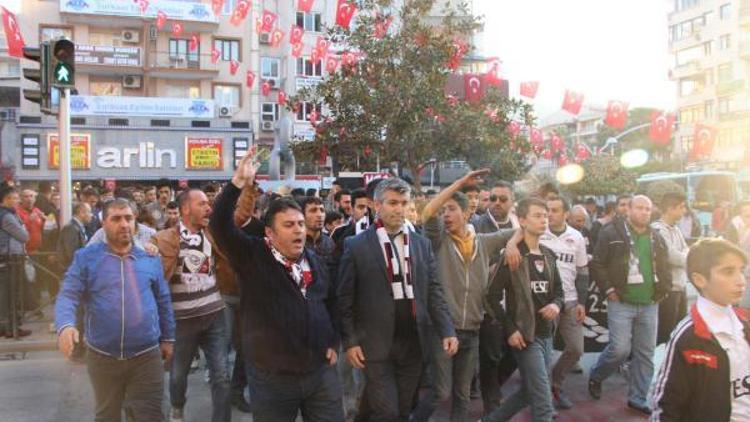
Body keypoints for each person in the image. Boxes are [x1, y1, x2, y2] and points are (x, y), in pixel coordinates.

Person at [210, 148, 343, 421]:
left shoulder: (314, 261)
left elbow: (329, 302)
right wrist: (236, 185)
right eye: (289, 225)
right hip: (273, 379)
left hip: (320, 374)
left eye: (300, 224)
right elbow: (220, 227)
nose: (298, 230)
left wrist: (332, 341)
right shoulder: (252, 256)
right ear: (269, 232)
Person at [338, 177, 458, 421]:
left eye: (404, 202)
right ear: (376, 205)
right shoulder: (356, 245)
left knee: (403, 410)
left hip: (413, 341)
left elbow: (433, 291)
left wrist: (447, 330)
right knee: (388, 412)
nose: (399, 208)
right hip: (375, 343)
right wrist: (350, 341)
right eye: (393, 202)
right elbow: (344, 298)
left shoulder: (421, 244)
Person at [413, 169, 521, 422]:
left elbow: (520, 230)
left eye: (451, 209)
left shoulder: (483, 242)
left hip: (472, 329)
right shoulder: (437, 239)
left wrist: (513, 243)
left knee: (462, 395)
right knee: (440, 391)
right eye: (444, 210)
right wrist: (460, 182)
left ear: (467, 212)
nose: (445, 214)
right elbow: (428, 211)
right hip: (441, 329)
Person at [54, 198, 175, 422]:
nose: (124, 224)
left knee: (151, 415)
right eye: (116, 219)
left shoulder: (149, 258)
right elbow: (68, 294)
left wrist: (168, 337)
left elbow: (163, 299)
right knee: (107, 416)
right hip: (103, 357)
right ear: (104, 224)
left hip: (146, 356)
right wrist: (65, 325)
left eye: (128, 218)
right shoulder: (86, 258)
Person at [151, 189, 231, 422]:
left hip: (214, 316)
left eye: (209, 203)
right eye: (202, 204)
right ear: (186, 209)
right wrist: (150, 249)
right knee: (177, 376)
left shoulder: (213, 234)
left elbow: (238, 216)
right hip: (181, 323)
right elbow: (148, 258)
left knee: (221, 375)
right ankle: (177, 407)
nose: (209, 208)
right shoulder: (165, 238)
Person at [588, 195, 672, 415]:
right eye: (640, 208)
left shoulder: (656, 237)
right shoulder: (611, 233)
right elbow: (597, 263)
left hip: (649, 303)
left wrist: (663, 289)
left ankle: (637, 397)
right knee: (619, 349)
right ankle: (597, 375)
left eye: (648, 209)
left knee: (645, 354)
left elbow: (665, 265)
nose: (644, 212)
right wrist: (608, 290)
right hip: (621, 301)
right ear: (629, 210)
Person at [482, 198, 564, 422]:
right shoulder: (512, 254)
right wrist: (510, 329)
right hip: (525, 337)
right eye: (537, 215)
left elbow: (559, 291)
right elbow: (491, 295)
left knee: (529, 392)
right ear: (522, 221)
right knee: (542, 398)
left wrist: (556, 304)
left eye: (545, 215)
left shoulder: (548, 255)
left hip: (547, 334)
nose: (544, 220)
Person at [651, 238, 750, 421]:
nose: (740, 281)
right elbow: (666, 405)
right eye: (728, 272)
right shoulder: (689, 336)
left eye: (741, 271)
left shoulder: (744, 323)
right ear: (699, 279)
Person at [540, 196, 589, 410]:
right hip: (545, 303)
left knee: (576, 349)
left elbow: (583, 271)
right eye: (547, 210)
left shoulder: (576, 237)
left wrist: (582, 302)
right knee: (543, 352)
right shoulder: (539, 234)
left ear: (565, 214)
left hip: (570, 301)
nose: (550, 214)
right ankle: (542, 399)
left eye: (555, 210)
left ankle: (555, 384)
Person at [651, 192, 690, 345]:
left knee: (679, 329)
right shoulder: (659, 229)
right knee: (666, 331)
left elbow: (686, 250)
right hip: (668, 287)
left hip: (680, 285)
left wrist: (685, 255)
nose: (684, 211)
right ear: (669, 208)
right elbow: (672, 257)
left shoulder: (676, 229)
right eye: (681, 207)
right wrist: (686, 257)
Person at [0, 186, 31, 338]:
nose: (18, 200)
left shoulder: (8, 214)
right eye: (15, 198)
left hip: (8, 259)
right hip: (10, 259)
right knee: (11, 295)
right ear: (7, 199)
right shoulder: (6, 216)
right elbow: (24, 236)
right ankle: (11, 328)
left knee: (7, 295)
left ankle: (7, 326)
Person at [57, 202, 92, 271]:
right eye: (89, 212)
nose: (91, 215)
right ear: (81, 213)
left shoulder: (78, 227)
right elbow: (71, 253)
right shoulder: (71, 228)